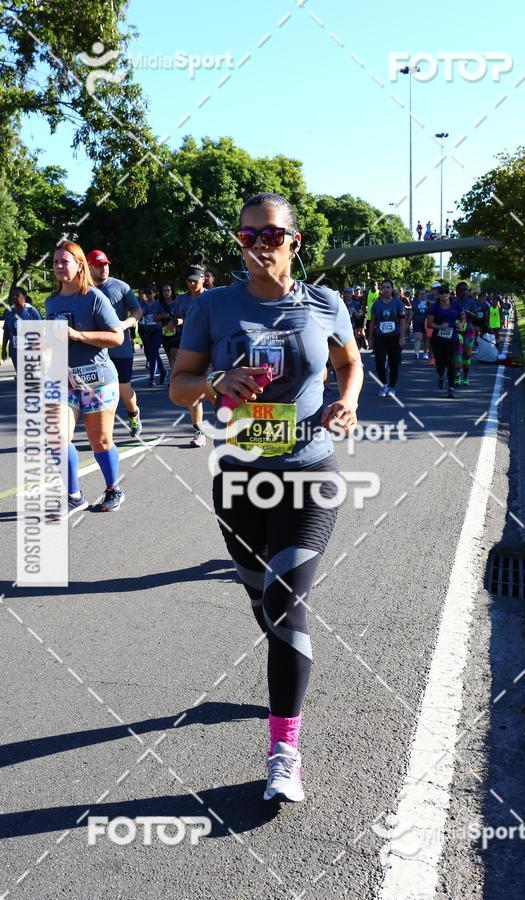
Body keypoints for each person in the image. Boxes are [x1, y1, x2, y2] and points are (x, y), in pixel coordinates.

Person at [170, 191, 362, 803]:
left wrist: (348, 400)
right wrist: (212, 382)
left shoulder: (324, 304)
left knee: (283, 606)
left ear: (294, 241)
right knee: (261, 599)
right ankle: (286, 665)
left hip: (309, 475)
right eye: (247, 236)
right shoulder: (212, 307)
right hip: (239, 479)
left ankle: (284, 748)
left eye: (271, 235)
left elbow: (350, 361)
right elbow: (178, 387)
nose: (258, 246)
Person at [46, 241, 125, 513]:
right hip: (64, 379)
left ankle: (114, 488)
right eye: (55, 261)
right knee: (57, 436)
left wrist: (78, 335)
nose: (57, 266)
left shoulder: (93, 298)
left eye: (63, 261)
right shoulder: (51, 301)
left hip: (98, 380)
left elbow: (117, 336)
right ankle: (74, 495)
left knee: (99, 440)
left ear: (79, 264)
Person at [86, 249, 143, 438]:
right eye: (99, 265)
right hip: (95, 352)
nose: (104, 268)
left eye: (106, 264)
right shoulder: (84, 289)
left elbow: (137, 311)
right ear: (89, 267)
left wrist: (124, 324)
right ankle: (104, 434)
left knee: (123, 390)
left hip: (120, 349)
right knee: (98, 393)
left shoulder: (121, 287)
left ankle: (134, 414)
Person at [172, 263, 207, 447]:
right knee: (194, 393)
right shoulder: (181, 299)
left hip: (213, 348)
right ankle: (199, 432)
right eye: (188, 281)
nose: (192, 284)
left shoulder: (212, 297)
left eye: (195, 280)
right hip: (190, 349)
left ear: (203, 278)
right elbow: (177, 316)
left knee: (223, 389)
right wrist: (173, 323)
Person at [371, 279, 406, 399]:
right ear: (381, 289)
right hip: (380, 337)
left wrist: (402, 337)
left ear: (392, 289)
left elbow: (402, 321)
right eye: (384, 287)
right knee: (379, 362)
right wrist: (370, 339)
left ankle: (392, 387)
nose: (386, 289)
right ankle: (384, 385)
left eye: (388, 287)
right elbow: (372, 322)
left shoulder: (398, 303)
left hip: (394, 337)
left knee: (394, 363)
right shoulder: (377, 304)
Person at [426, 284, 461, 398]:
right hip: (438, 340)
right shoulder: (434, 307)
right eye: (441, 292)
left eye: (446, 292)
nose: (444, 294)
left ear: (449, 294)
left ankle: (451, 388)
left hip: (453, 339)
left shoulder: (455, 305)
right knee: (440, 363)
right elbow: (429, 324)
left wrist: (461, 323)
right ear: (438, 295)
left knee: (451, 363)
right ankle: (441, 375)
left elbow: (463, 316)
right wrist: (440, 326)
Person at [1, 286, 42, 374]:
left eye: (17, 295)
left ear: (24, 297)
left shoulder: (32, 311)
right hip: (15, 351)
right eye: (12, 295)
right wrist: (4, 349)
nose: (14, 297)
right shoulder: (9, 312)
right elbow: (6, 332)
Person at [138, 284, 167, 386]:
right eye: (147, 293)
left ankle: (152, 378)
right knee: (151, 354)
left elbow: (166, 314)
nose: (149, 295)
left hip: (157, 331)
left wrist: (158, 317)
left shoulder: (158, 304)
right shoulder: (143, 304)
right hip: (147, 332)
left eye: (150, 293)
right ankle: (163, 371)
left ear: (154, 293)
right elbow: (139, 315)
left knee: (153, 352)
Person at [156, 283, 179, 378]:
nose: (166, 293)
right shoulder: (159, 304)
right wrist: (162, 316)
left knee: (174, 354)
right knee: (170, 356)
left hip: (178, 332)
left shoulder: (177, 301)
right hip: (165, 332)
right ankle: (174, 374)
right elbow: (154, 317)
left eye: (168, 290)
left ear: (172, 291)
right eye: (164, 291)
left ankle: (173, 378)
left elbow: (183, 313)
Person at [411, 288, 429, 359]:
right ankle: (416, 353)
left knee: (426, 339)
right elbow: (412, 313)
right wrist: (409, 321)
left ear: (426, 295)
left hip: (427, 323)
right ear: (418, 295)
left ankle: (425, 353)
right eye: (421, 294)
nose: (422, 295)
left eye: (424, 294)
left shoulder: (429, 303)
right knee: (418, 338)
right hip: (417, 323)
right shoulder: (415, 303)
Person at [364, 280, 379, 348]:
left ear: (377, 286)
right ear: (370, 286)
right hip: (369, 316)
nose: (374, 286)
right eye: (373, 285)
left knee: (377, 332)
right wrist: (364, 311)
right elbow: (364, 303)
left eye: (375, 285)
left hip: (378, 316)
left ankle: (376, 346)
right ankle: (372, 345)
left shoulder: (380, 293)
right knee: (370, 332)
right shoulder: (368, 293)